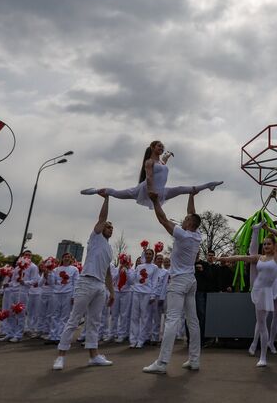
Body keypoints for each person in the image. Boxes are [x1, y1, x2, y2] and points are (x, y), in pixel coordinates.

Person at [52, 192, 115, 370]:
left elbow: (108, 272)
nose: (109, 229)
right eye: (108, 227)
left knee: (95, 322)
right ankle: (61, 356)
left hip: (100, 286)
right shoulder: (95, 238)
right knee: (74, 319)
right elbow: (102, 218)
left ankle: (94, 356)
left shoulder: (109, 250)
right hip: (86, 282)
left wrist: (112, 292)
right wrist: (107, 198)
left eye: (112, 228)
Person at [142, 190, 203, 374]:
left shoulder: (183, 235)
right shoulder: (196, 235)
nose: (183, 220)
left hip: (179, 282)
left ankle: (162, 363)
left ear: (189, 224)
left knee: (172, 320)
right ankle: (194, 360)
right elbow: (192, 213)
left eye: (186, 219)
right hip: (191, 281)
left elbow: (163, 219)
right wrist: (192, 194)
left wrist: (155, 201)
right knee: (193, 321)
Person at [217, 220, 277, 367]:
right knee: (261, 325)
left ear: (274, 246)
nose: (266, 246)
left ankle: (263, 357)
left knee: (264, 325)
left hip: (267, 292)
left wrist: (268, 228)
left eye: (269, 244)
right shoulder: (258, 258)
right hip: (257, 290)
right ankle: (255, 230)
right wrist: (223, 258)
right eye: (265, 244)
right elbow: (240, 257)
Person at [81, 140, 222, 209]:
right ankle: (95, 190)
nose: (162, 147)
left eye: (163, 146)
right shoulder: (149, 162)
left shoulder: (160, 163)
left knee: (180, 189)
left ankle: (209, 185)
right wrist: (150, 192)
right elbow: (149, 177)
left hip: (159, 191)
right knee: (116, 193)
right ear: (153, 147)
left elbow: (163, 166)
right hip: (147, 190)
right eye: (159, 146)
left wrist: (167, 156)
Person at [47, 252, 79, 345]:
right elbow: (51, 282)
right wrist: (49, 272)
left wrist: (74, 296)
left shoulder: (74, 269)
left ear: (71, 259)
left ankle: (61, 337)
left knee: (64, 316)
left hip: (68, 293)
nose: (67, 258)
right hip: (56, 293)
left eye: (68, 257)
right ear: (62, 258)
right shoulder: (55, 269)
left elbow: (75, 283)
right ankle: (53, 336)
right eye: (65, 257)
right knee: (55, 315)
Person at [130, 248, 158, 349]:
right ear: (144, 255)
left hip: (147, 293)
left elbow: (154, 282)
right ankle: (133, 340)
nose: (148, 255)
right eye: (147, 253)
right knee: (134, 317)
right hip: (136, 292)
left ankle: (141, 340)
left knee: (144, 318)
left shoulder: (154, 268)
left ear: (153, 256)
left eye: (150, 254)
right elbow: (132, 279)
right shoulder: (139, 266)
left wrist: (152, 295)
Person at [110, 253, 134, 342]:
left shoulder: (131, 270)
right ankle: (112, 333)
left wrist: (127, 271)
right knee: (114, 314)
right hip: (116, 291)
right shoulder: (116, 269)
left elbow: (131, 282)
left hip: (126, 292)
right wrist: (119, 270)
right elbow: (112, 279)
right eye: (122, 261)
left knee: (124, 314)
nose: (123, 263)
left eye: (125, 262)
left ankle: (122, 334)